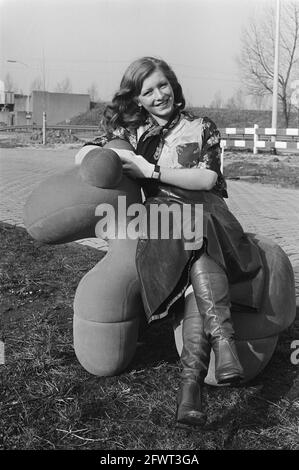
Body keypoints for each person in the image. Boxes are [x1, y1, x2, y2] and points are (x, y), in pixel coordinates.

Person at [86, 57, 263, 428]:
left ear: (173, 85)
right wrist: (96, 156)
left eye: (162, 85)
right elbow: (90, 152)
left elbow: (208, 178)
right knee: (191, 235)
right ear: (137, 99)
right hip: (163, 226)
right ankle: (223, 344)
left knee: (198, 232)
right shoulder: (137, 135)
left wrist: (151, 171)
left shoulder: (202, 127)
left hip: (208, 212)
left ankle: (190, 392)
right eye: (147, 91)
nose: (158, 95)